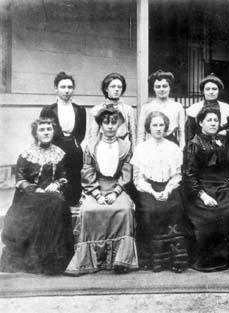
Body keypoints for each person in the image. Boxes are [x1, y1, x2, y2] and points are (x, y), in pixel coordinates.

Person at [65, 108, 138, 275]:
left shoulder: (125, 146)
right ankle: (88, 262)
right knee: (88, 210)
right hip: (95, 187)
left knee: (124, 210)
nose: (110, 127)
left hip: (117, 187)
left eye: (114, 123)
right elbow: (87, 170)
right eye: (106, 123)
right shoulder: (91, 146)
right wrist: (97, 194)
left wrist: (115, 192)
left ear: (119, 125)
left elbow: (127, 172)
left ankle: (121, 260)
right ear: (100, 125)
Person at [183, 106, 229, 271]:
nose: (213, 123)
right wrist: (203, 196)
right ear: (201, 122)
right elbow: (189, 175)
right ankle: (213, 260)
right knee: (212, 214)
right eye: (209, 120)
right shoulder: (193, 144)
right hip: (202, 188)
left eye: (216, 120)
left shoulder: (223, 141)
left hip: (224, 186)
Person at [0, 117, 74, 274]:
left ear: (53, 132)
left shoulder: (59, 153)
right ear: (35, 133)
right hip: (29, 198)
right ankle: (41, 260)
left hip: (52, 196)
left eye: (49, 129)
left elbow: (63, 176)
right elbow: (20, 179)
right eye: (42, 130)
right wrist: (34, 189)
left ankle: (53, 259)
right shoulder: (27, 154)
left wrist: (58, 184)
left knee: (58, 202)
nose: (46, 132)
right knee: (55, 203)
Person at [132, 111, 189, 273]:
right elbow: (138, 178)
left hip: (169, 187)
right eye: (154, 125)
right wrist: (153, 192)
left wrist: (167, 189)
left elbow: (177, 175)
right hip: (147, 188)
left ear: (166, 127)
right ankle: (153, 260)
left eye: (161, 125)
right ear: (148, 128)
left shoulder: (173, 147)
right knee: (151, 210)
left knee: (176, 207)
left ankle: (175, 258)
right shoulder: (141, 148)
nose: (158, 128)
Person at [40, 72, 86, 206]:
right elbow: (42, 130)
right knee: (56, 180)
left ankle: (73, 203)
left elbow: (81, 132)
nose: (67, 90)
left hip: (73, 149)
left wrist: (75, 143)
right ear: (56, 88)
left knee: (74, 180)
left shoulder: (80, 109)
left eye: (70, 87)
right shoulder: (48, 109)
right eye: (63, 87)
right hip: (54, 149)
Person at [185, 73, 229, 151]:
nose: (211, 92)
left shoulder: (228, 109)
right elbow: (189, 134)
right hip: (200, 150)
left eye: (214, 89)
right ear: (203, 91)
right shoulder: (194, 109)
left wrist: (226, 132)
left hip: (223, 149)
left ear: (219, 91)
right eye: (207, 89)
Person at [86, 72, 136, 151]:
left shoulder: (128, 110)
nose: (116, 89)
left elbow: (133, 135)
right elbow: (93, 136)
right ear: (106, 89)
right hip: (103, 150)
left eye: (119, 87)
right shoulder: (96, 110)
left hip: (123, 150)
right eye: (113, 86)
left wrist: (133, 153)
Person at [137, 70, 185, 149]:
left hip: (171, 144)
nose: (161, 89)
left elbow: (181, 132)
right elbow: (141, 134)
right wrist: (139, 150)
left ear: (170, 87)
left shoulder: (177, 107)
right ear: (153, 88)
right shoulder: (147, 107)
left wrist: (182, 150)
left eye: (165, 86)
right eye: (158, 87)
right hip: (151, 145)